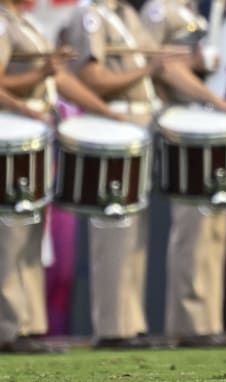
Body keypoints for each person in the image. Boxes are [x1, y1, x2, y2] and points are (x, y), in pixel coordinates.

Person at [58, 0, 226, 348]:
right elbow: (90, 77)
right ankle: (113, 328)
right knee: (115, 227)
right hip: (115, 120)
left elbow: (165, 63)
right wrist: (148, 70)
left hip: (143, 122)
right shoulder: (90, 15)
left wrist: (193, 65)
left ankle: (131, 324)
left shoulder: (124, 15)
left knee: (134, 233)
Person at [0, 0, 123, 353]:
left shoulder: (23, 23)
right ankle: (8, 328)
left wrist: (102, 113)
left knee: (29, 233)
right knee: (11, 234)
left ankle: (26, 326)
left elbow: (60, 79)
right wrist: (30, 94)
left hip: (32, 134)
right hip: (12, 132)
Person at [139, 0, 226, 346]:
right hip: (182, 126)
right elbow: (162, 67)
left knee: (212, 227)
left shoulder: (196, 12)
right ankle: (188, 323)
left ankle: (207, 322)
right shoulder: (159, 11)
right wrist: (211, 96)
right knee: (193, 226)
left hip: (207, 126)